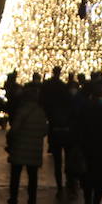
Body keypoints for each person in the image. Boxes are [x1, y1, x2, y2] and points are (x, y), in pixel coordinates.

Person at [6, 85, 48, 204]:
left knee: (15, 175)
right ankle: (32, 199)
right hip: (34, 149)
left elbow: (14, 129)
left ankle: (14, 198)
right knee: (33, 176)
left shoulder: (22, 110)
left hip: (20, 147)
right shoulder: (41, 112)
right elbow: (44, 131)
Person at [41, 67, 75, 195]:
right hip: (66, 132)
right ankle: (69, 182)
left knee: (57, 161)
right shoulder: (63, 88)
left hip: (55, 130)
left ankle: (60, 185)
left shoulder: (48, 86)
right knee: (68, 159)